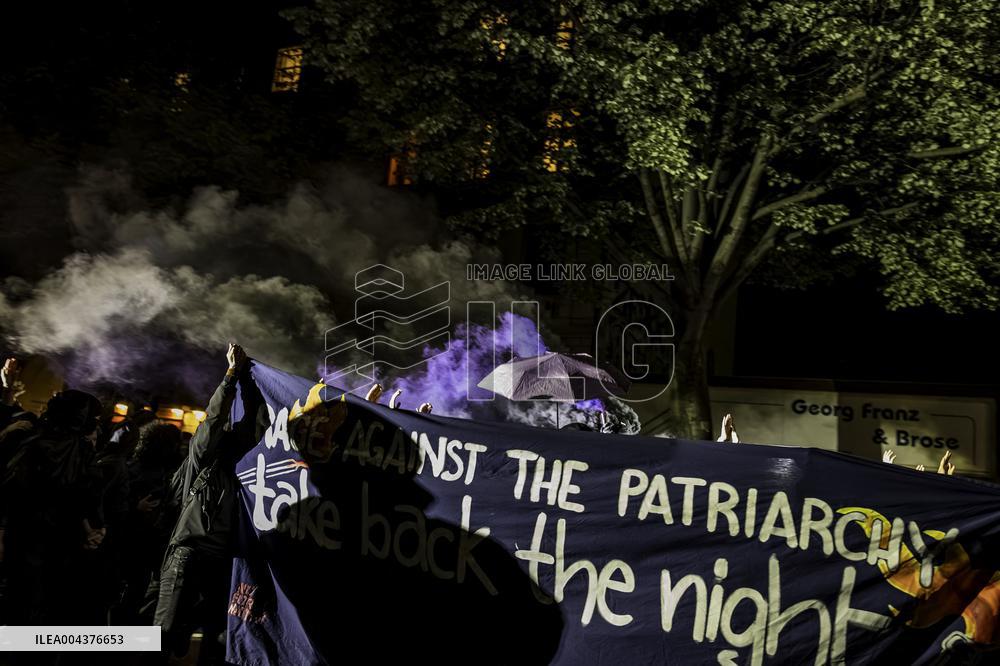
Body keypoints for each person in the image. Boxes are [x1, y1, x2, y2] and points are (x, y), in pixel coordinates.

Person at [148, 344, 255, 665]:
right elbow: (212, 421)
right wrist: (231, 376)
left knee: (218, 636)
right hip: (188, 556)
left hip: (222, 563)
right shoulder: (202, 463)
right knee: (163, 635)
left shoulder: (245, 480)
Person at [0, 389, 107, 626]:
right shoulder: (81, 451)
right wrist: (95, 527)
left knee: (19, 600)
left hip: (22, 534)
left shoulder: (29, 440)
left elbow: (11, 487)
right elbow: (89, 495)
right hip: (59, 541)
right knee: (46, 605)